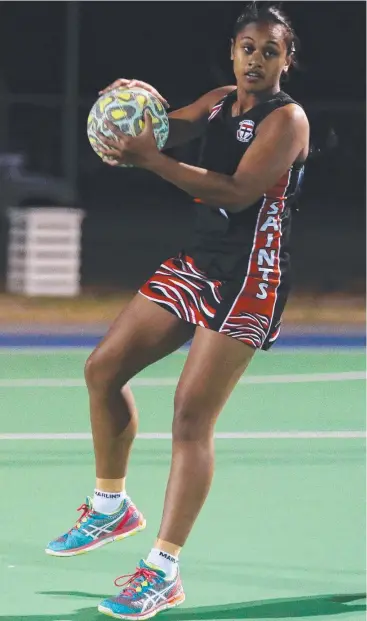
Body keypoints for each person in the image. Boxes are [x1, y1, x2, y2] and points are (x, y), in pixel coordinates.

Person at [46, 3, 309, 619]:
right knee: (103, 369)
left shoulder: (287, 120)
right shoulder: (221, 100)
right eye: (248, 47)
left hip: (251, 277)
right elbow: (166, 126)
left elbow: (237, 190)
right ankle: (111, 508)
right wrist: (130, 106)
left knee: (190, 419)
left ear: (286, 60)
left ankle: (162, 569)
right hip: (200, 260)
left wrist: (150, 159)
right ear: (233, 52)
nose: (256, 59)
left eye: (270, 50)